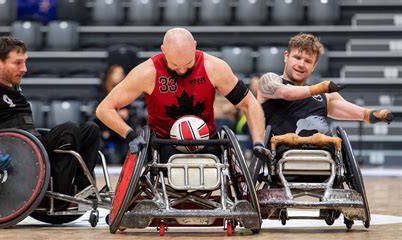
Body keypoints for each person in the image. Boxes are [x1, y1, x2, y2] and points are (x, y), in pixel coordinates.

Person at [0, 36, 100, 209]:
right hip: (15, 155)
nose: (24, 69)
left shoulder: (11, 84)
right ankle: (59, 196)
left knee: (91, 129)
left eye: (25, 62)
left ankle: (82, 189)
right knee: (69, 129)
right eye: (17, 63)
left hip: (32, 148)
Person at [96, 27, 272, 162]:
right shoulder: (147, 72)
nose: (181, 69)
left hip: (206, 143)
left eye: (187, 63)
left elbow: (249, 103)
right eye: (174, 65)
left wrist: (257, 142)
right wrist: (131, 135)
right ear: (163, 50)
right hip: (163, 145)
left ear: (194, 46)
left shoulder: (214, 67)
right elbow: (104, 109)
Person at [256, 33, 393, 141]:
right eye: (297, 58)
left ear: (314, 66)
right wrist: (320, 88)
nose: (301, 64)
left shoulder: (325, 95)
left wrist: (374, 115)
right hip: (281, 153)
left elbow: (362, 114)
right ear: (286, 56)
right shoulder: (269, 81)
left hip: (323, 153)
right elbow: (286, 93)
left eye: (308, 61)